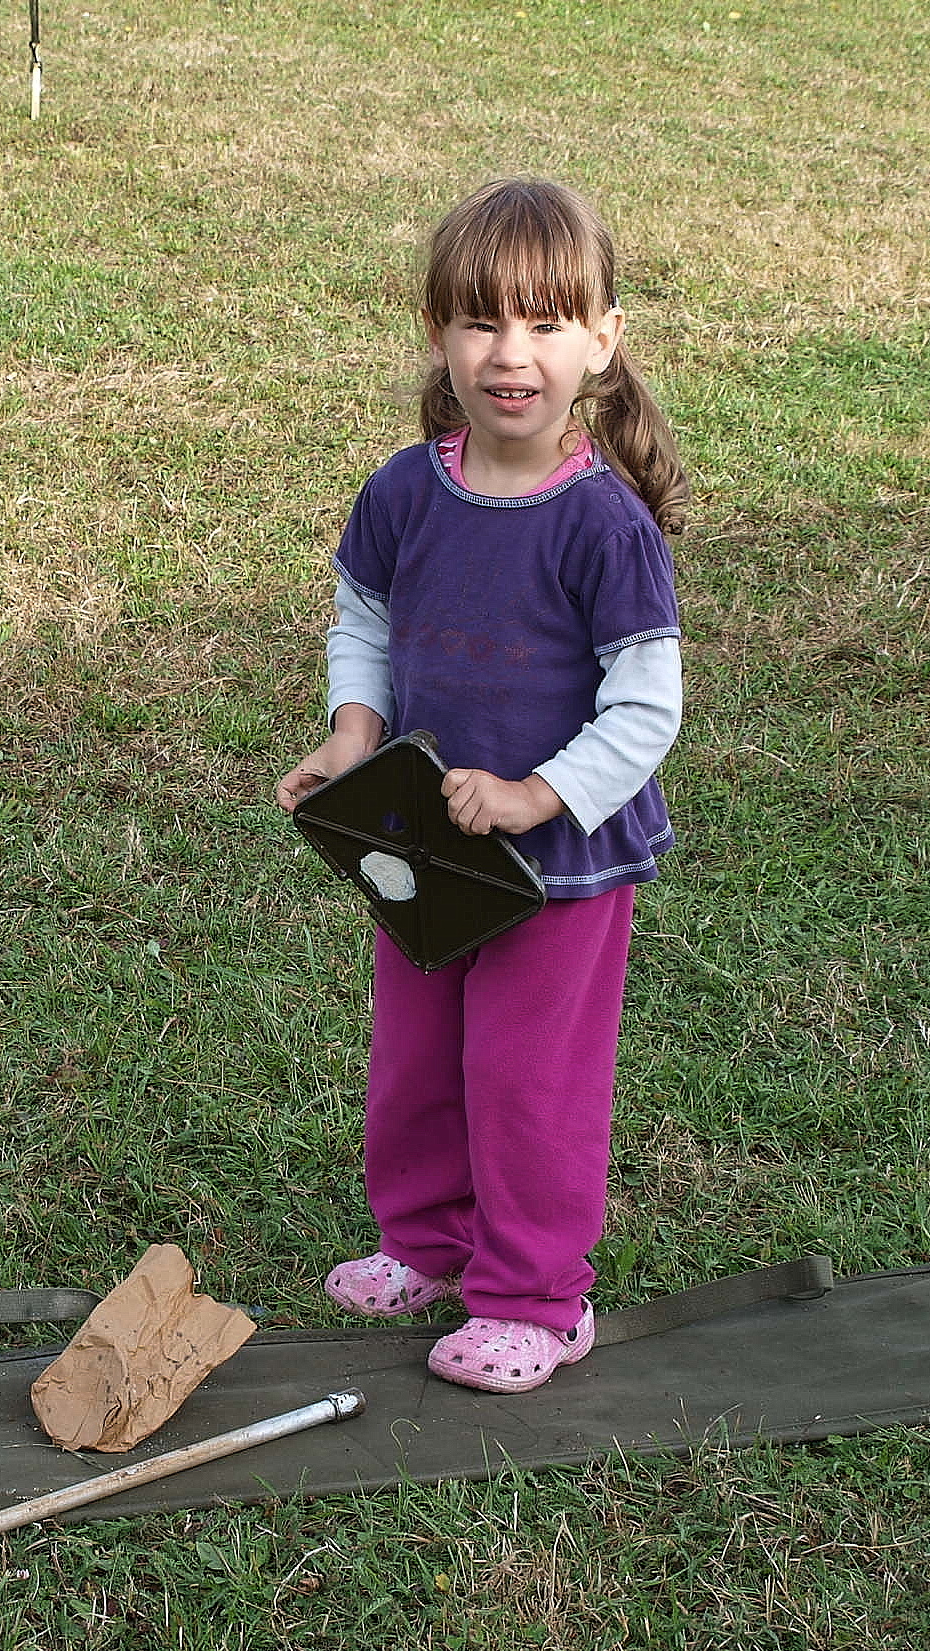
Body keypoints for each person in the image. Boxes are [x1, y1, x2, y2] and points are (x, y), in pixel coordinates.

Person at [276, 177, 688, 1394]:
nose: (512, 354)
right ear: (439, 334)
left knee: (527, 1082)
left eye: (547, 324)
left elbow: (647, 707)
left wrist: (535, 794)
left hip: (557, 866)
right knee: (417, 1060)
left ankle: (535, 1298)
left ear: (601, 341)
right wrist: (355, 735)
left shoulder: (605, 527)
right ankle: (428, 1244)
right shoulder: (407, 491)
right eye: (482, 322)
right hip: (424, 839)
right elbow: (365, 616)